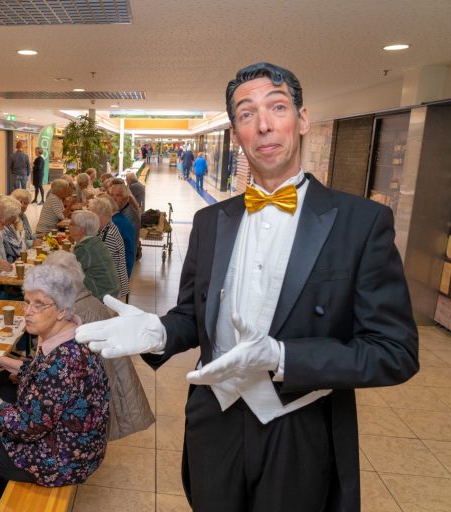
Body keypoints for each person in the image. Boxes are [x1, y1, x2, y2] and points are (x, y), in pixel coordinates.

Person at [76, 62, 419, 512]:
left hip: (298, 428)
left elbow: (394, 352)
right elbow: (192, 315)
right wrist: (160, 331)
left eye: (277, 107)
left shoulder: (361, 223)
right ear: (236, 134)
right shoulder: (209, 221)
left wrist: (282, 356)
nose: (263, 124)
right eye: (246, 113)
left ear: (302, 119)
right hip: (213, 421)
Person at [0, 265, 109, 512]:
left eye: (39, 304)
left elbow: (25, 429)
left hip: (66, 459)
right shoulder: (72, 334)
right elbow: (39, 371)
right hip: (78, 444)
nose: (28, 311)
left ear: (62, 311)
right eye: (26, 302)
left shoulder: (63, 361)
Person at [44, 251, 153, 440]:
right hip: (102, 388)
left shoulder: (74, 313)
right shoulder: (85, 299)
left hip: (91, 403)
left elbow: (59, 371)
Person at [69, 210, 119, 299]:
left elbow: (70, 273)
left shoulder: (84, 248)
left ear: (82, 229)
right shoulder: (95, 241)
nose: (68, 226)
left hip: (102, 295)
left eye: (72, 224)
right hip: (110, 290)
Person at [88, 197, 129, 296]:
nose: (91, 219)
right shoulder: (107, 227)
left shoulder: (109, 235)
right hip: (110, 280)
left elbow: (101, 265)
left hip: (112, 286)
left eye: (92, 215)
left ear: (102, 215)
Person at [109, 182, 141, 261]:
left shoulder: (128, 216)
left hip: (123, 259)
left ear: (126, 198)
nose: (113, 198)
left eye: (118, 195)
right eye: (112, 195)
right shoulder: (122, 210)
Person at [0, 195, 25, 262]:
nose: (16, 219)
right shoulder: (1, 229)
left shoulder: (7, 226)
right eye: (15, 216)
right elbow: (20, 251)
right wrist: (19, 231)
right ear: (9, 215)